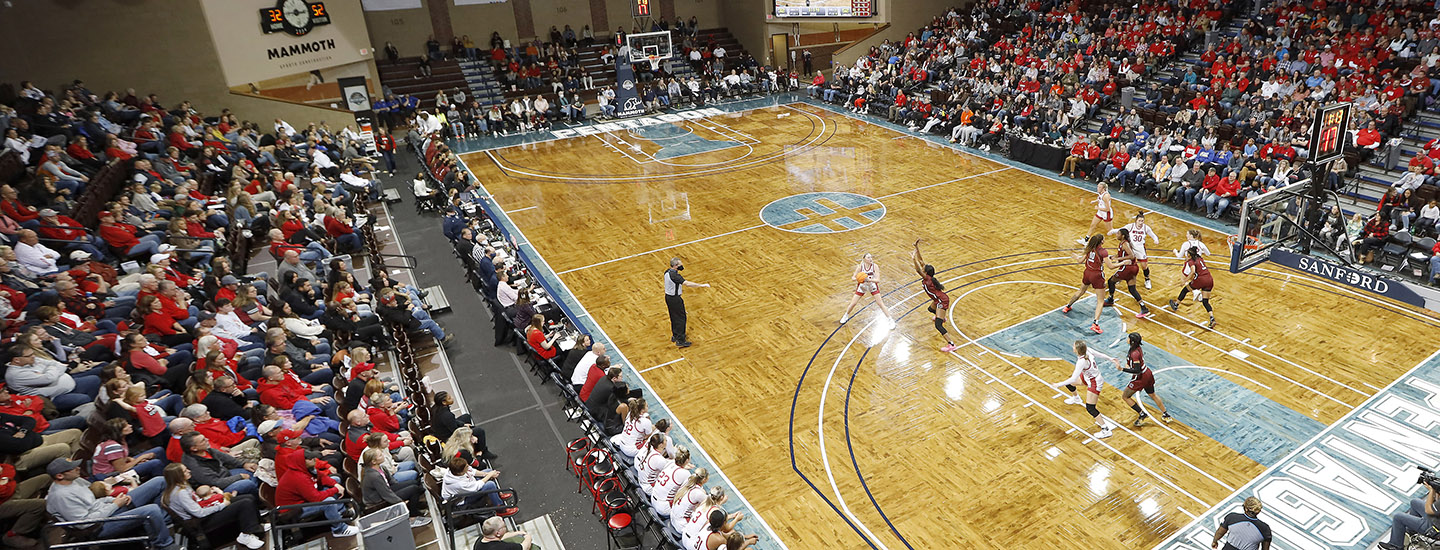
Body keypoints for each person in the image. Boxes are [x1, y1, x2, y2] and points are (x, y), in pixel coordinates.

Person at [45, 458, 180, 550]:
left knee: (159, 481)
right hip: (99, 527)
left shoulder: (75, 481)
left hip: (108, 509)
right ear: (60, 476)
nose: (77, 468)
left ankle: (157, 526)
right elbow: (84, 523)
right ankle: (164, 544)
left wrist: (113, 500)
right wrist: (115, 505)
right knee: (152, 510)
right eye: (71, 468)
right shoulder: (61, 496)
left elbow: (93, 501)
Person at [160, 463, 266, 549]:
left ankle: (257, 525)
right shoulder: (180, 493)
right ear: (177, 476)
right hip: (201, 522)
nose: (189, 471)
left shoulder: (183, 484)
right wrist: (222, 505)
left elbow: (198, 502)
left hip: (204, 510)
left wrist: (213, 497)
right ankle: (246, 535)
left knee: (248, 498)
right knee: (244, 503)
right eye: (185, 471)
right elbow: (199, 513)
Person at [1049, 340, 1119, 439]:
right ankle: (1076, 398)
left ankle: (1105, 430)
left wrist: (1058, 384)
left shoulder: (1081, 362)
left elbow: (1074, 378)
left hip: (1094, 382)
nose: (1072, 347)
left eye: (1073, 346)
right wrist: (1110, 358)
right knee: (1070, 383)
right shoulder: (1088, 351)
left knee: (1090, 408)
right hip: (1089, 377)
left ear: (1077, 349)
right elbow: (1100, 354)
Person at [1062, 234, 1128, 334]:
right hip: (1097, 276)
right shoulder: (1103, 251)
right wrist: (1123, 263)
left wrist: (1076, 257)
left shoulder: (1089, 248)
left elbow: (1080, 261)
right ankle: (1095, 324)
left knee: (1081, 291)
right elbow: (1110, 266)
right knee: (1100, 301)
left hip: (1087, 273)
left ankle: (1067, 306)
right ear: (1101, 241)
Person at [911, 240, 956, 351]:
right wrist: (917, 249)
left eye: (923, 270)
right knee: (930, 309)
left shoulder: (927, 279)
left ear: (925, 273)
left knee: (938, 325)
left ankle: (951, 344)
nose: (922, 269)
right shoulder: (929, 276)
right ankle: (941, 316)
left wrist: (913, 259)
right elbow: (921, 261)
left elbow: (917, 268)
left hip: (941, 300)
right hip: (938, 299)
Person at [1118, 332, 1171, 426]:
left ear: (1132, 341)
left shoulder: (1134, 353)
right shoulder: (1137, 348)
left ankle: (1142, 414)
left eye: (1128, 338)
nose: (1127, 339)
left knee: (1125, 396)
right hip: (1147, 373)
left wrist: (1123, 369)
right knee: (1152, 394)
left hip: (1140, 377)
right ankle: (1165, 414)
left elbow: (1137, 370)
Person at [1102, 228, 1154, 319]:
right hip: (1134, 268)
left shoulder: (1125, 243)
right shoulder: (1124, 243)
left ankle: (1110, 299)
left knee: (1111, 281)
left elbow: (1131, 256)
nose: (1116, 235)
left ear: (1122, 236)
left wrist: (1118, 260)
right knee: (1132, 289)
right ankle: (1143, 307)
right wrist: (1112, 257)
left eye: (1118, 233)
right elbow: (1122, 254)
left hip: (1127, 268)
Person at [663, 257, 709, 348]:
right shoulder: (675, 276)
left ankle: (675, 335)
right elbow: (687, 284)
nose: (682, 266)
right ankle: (680, 340)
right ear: (676, 266)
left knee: (673, 316)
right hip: (675, 299)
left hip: (668, 297)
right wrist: (701, 285)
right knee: (681, 318)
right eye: (680, 264)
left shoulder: (667, 272)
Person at [1168, 245, 1216, 328]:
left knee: (1185, 290)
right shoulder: (1200, 258)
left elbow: (1193, 271)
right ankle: (1212, 318)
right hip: (1209, 279)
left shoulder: (1191, 261)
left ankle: (1176, 304)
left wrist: (1185, 280)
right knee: (1205, 301)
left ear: (1189, 255)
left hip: (1201, 280)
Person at [1109, 211, 1159, 289]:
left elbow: (1153, 234)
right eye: (1139, 221)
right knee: (1125, 263)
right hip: (1131, 248)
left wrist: (1156, 239)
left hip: (1140, 248)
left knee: (1144, 266)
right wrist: (1112, 231)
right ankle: (1121, 277)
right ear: (1136, 220)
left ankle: (1147, 279)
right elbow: (1121, 229)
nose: (1141, 222)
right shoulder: (1131, 226)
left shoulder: (1146, 227)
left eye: (1142, 221)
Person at [839, 253, 892, 325]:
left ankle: (890, 319)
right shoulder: (860, 266)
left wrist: (869, 280)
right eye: (868, 257)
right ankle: (846, 315)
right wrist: (858, 279)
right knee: (853, 303)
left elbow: (878, 280)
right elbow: (853, 278)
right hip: (862, 285)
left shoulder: (875, 266)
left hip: (872, 285)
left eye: (871, 257)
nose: (871, 259)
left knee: (880, 303)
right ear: (864, 259)